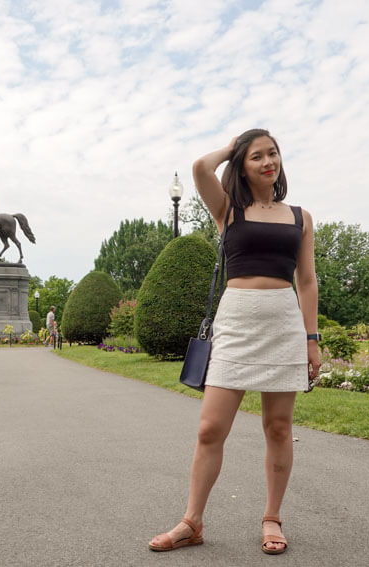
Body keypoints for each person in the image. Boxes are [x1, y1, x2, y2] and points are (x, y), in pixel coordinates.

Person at [149, 129, 320, 555]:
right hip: (236, 322)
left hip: (283, 322)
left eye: (273, 153)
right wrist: (233, 147)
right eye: (257, 156)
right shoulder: (228, 210)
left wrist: (311, 339)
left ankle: (272, 518)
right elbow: (200, 168)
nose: (268, 161)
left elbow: (308, 280)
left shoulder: (300, 217)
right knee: (210, 429)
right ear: (242, 165)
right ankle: (192, 522)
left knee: (278, 428)